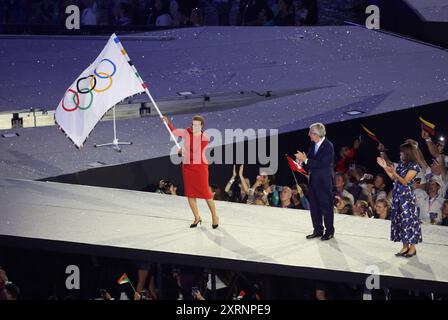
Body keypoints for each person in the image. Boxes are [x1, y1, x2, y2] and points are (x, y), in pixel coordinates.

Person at [162, 115, 219, 229]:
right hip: (187, 167)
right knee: (190, 194)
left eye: (196, 125)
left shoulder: (205, 138)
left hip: (200, 168)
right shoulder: (187, 132)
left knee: (207, 194)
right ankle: (197, 217)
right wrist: (167, 123)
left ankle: (214, 217)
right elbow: (174, 132)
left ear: (201, 126)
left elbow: (196, 154)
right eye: (193, 124)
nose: (193, 126)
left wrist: (183, 152)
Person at [377, 142, 422, 258]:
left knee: (408, 222)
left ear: (407, 153)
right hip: (397, 197)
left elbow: (405, 181)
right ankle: (404, 246)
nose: (400, 154)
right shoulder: (402, 164)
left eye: (402, 152)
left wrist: (394, 172)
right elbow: (393, 177)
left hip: (407, 198)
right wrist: (385, 168)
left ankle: (412, 247)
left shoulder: (414, 166)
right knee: (400, 221)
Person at [296, 123, 335, 240]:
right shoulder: (314, 144)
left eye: (310, 133)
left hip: (323, 182)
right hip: (313, 180)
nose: (308, 135)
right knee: (314, 207)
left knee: (326, 207)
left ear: (316, 134)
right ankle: (318, 230)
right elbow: (310, 157)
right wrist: (301, 160)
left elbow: (322, 164)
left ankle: (329, 231)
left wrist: (306, 160)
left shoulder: (328, 146)